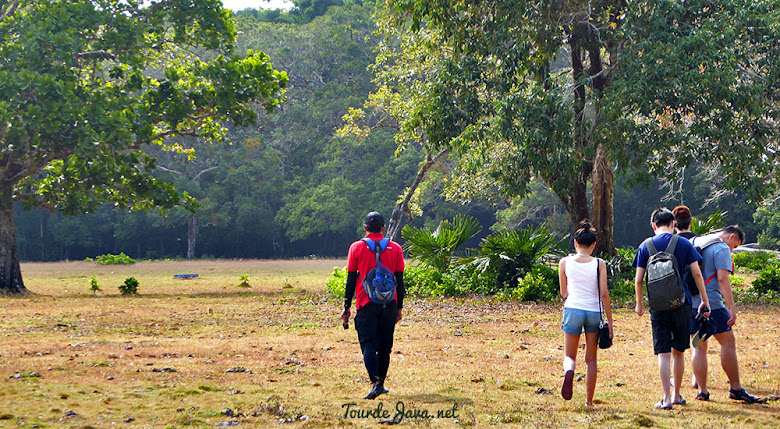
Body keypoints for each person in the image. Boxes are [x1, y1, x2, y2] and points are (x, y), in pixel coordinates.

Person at [633, 208, 711, 410]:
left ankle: (666, 399)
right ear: (673, 223)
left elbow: (639, 279)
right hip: (682, 304)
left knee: (663, 354)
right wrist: (704, 300)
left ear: (653, 225)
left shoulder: (645, 245)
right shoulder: (683, 243)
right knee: (678, 352)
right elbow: (696, 274)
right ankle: (677, 395)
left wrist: (639, 304)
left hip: (658, 307)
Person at [689, 226, 766, 403]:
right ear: (731, 236)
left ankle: (702, 391)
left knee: (698, 345)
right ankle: (736, 388)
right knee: (728, 343)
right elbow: (723, 278)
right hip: (712, 304)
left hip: (692, 304)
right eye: (735, 246)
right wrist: (731, 307)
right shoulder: (721, 247)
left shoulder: (696, 241)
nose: (732, 250)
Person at [341, 211, 405, 399]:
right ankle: (381, 383)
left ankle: (376, 383)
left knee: (368, 343)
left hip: (365, 302)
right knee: (385, 347)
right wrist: (399, 307)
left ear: (365, 228)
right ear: (383, 228)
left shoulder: (356, 248)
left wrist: (347, 305)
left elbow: (351, 278)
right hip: (389, 304)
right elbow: (399, 281)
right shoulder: (395, 248)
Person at [558, 220, 613, 406]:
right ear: (593, 245)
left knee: (569, 356)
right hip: (593, 311)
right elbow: (604, 294)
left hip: (573, 308)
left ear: (575, 243)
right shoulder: (599, 264)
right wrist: (611, 323)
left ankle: (569, 371)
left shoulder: (564, 262)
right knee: (591, 359)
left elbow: (563, 292)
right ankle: (589, 402)